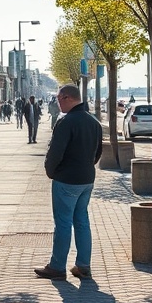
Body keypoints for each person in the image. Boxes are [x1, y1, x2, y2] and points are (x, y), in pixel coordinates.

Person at [34, 84, 102, 281]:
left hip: (67, 180)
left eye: (58, 99)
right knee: (82, 221)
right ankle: (83, 265)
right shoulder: (93, 122)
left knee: (63, 223)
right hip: (86, 179)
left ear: (66, 98)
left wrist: (51, 171)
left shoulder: (66, 122)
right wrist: (87, 167)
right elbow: (98, 151)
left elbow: (55, 152)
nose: (57, 103)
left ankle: (57, 266)